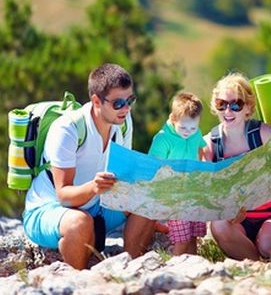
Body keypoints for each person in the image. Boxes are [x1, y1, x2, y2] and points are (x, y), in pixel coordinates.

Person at [22, 63, 156, 270]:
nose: (126, 108)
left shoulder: (124, 121)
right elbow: (64, 195)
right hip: (49, 209)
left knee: (149, 198)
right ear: (96, 101)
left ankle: (131, 270)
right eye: (118, 103)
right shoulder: (68, 129)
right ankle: (81, 282)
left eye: (130, 100)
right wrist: (94, 187)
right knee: (80, 223)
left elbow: (125, 178)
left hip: (96, 208)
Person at [201, 72, 271, 263]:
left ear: (248, 107)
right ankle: (257, 266)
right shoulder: (210, 143)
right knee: (219, 226)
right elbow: (209, 187)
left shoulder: (264, 134)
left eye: (236, 105)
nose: (228, 111)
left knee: (269, 244)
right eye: (221, 104)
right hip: (236, 220)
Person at [148, 91, 207, 255]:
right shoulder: (163, 139)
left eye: (193, 127)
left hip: (192, 190)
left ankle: (194, 263)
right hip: (174, 194)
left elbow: (201, 147)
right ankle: (176, 266)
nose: (188, 131)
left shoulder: (196, 133)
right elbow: (153, 166)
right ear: (173, 118)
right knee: (181, 238)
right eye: (183, 127)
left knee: (194, 234)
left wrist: (201, 166)